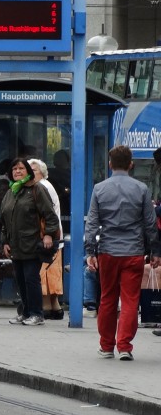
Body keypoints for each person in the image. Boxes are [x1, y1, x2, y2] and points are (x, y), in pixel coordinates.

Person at [85, 145, 159, 360]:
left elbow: (92, 223)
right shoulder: (141, 189)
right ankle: (125, 346)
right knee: (130, 300)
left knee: (107, 299)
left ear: (110, 164)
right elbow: (150, 223)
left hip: (108, 252)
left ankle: (106, 346)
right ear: (131, 164)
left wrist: (90, 251)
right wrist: (155, 251)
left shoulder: (99, 189)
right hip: (134, 252)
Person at [0, 157, 60, 327]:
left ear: (28, 171)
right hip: (15, 245)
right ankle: (25, 312)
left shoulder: (37, 189)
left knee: (31, 279)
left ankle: (36, 314)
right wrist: (5, 241)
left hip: (32, 244)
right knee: (20, 280)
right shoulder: (11, 191)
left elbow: (50, 215)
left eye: (21, 168)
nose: (17, 172)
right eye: (14, 169)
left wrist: (48, 235)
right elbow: (4, 220)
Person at [28, 158, 65, 320]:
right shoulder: (47, 186)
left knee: (43, 272)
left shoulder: (41, 187)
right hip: (54, 236)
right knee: (52, 272)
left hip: (46, 237)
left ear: (42, 173)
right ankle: (54, 306)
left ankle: (45, 306)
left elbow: (45, 214)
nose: (30, 173)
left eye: (34, 170)